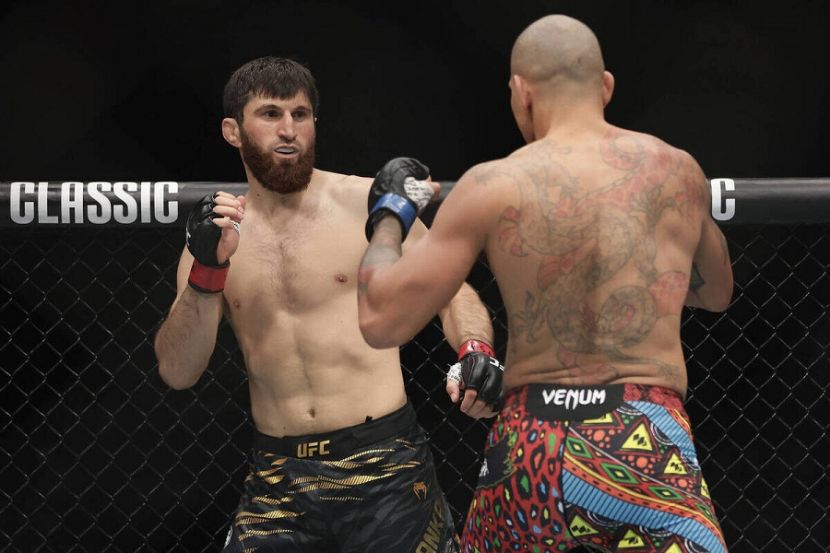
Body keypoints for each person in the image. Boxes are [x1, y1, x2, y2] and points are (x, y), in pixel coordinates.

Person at [357, 15, 733, 553]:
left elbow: (380, 319)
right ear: (606, 86)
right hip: (645, 439)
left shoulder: (492, 184)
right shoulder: (676, 172)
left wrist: (390, 216)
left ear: (521, 92)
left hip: (533, 443)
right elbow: (716, 292)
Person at [154, 56, 504, 553]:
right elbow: (178, 370)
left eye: (300, 114)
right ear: (233, 131)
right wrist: (207, 272)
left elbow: (452, 292)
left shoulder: (366, 204)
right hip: (277, 475)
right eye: (270, 114)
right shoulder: (214, 237)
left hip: (385, 464)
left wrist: (476, 350)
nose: (289, 130)